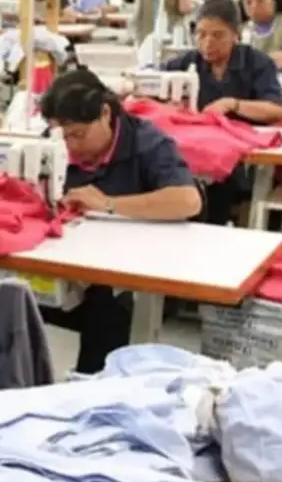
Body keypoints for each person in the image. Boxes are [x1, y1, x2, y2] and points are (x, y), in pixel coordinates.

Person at [39, 69, 202, 373]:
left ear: (105, 114)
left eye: (79, 134)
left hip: (126, 277)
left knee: (108, 310)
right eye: (64, 136)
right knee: (5, 298)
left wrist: (109, 204)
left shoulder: (147, 143)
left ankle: (91, 388)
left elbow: (187, 200)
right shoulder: (54, 146)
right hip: (70, 267)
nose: (71, 146)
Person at [161, 0, 282, 224]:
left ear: (236, 35)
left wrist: (233, 104)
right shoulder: (188, 62)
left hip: (240, 158)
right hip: (197, 153)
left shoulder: (257, 63)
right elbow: (152, 83)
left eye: (217, 35)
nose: (207, 42)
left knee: (218, 186)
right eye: (201, 34)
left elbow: (275, 110)